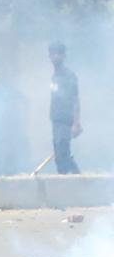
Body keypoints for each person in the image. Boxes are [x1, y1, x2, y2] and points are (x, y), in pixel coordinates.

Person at [48, 41, 81, 174]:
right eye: (53, 54)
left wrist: (76, 123)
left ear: (64, 56)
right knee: (59, 153)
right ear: (49, 56)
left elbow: (75, 99)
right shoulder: (54, 76)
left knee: (62, 150)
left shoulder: (69, 76)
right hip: (55, 120)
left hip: (65, 120)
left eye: (59, 54)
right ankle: (73, 176)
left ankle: (68, 179)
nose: (56, 56)